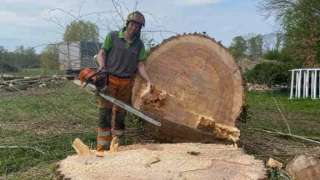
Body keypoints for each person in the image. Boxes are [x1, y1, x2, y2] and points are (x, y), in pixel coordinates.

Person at [95, 11, 151, 156]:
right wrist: (101, 66)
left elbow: (140, 65)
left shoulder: (139, 45)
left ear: (140, 29)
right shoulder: (113, 36)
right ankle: (102, 148)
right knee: (104, 114)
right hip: (110, 80)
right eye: (132, 24)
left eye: (138, 26)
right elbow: (102, 53)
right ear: (127, 24)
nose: (134, 28)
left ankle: (118, 148)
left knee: (121, 115)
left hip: (126, 83)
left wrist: (148, 80)